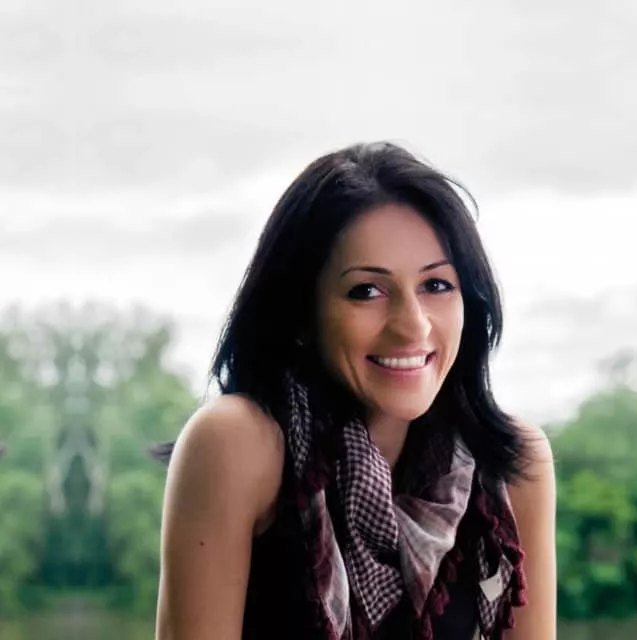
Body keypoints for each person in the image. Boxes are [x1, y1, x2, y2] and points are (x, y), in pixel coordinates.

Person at [154, 141, 556, 639]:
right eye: (366, 291)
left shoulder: (512, 464)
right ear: (302, 314)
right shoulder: (237, 443)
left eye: (436, 285)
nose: (413, 325)